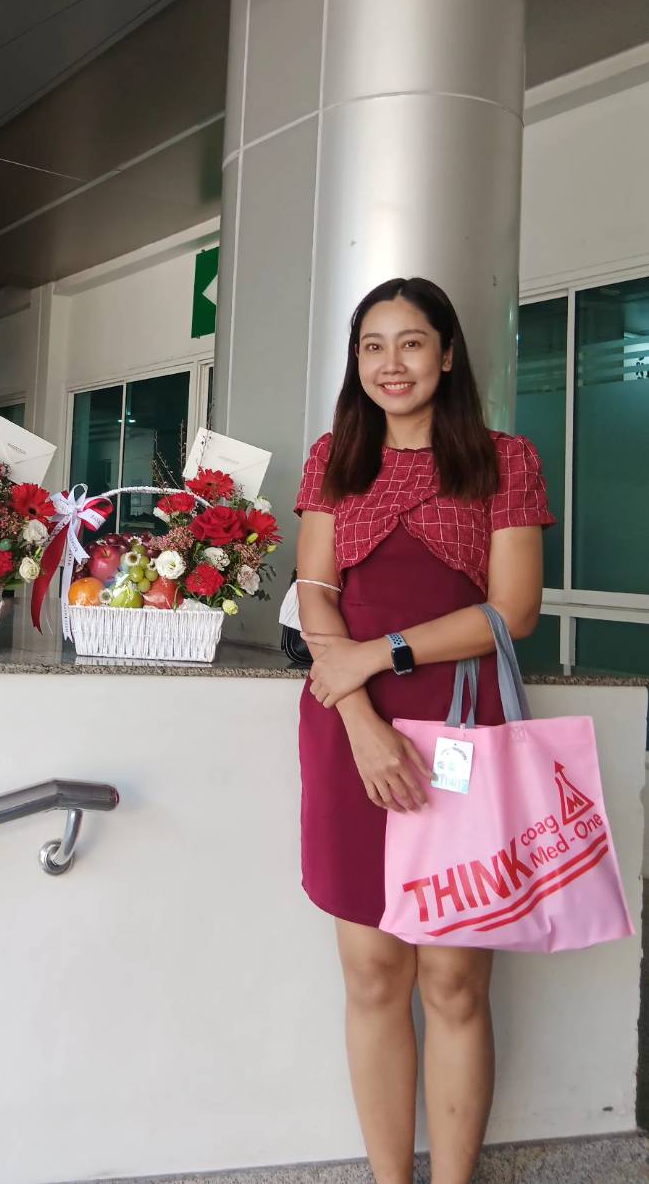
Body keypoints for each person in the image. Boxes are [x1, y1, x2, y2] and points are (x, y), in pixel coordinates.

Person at [294, 277, 554, 1184]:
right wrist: (360, 716)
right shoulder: (335, 457)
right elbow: (315, 594)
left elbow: (513, 611)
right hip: (348, 727)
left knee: (453, 978)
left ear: (447, 353)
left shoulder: (503, 459)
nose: (391, 363)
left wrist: (380, 654)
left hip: (462, 725)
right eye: (372, 345)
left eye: (411, 342)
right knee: (373, 972)